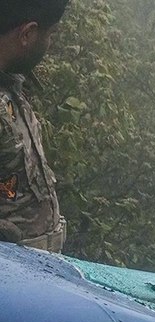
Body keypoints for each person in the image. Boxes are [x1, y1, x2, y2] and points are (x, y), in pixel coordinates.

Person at [0, 0, 69, 252]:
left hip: (37, 272)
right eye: (49, 34)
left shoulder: (12, 85)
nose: (49, 45)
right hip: (11, 278)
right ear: (27, 34)